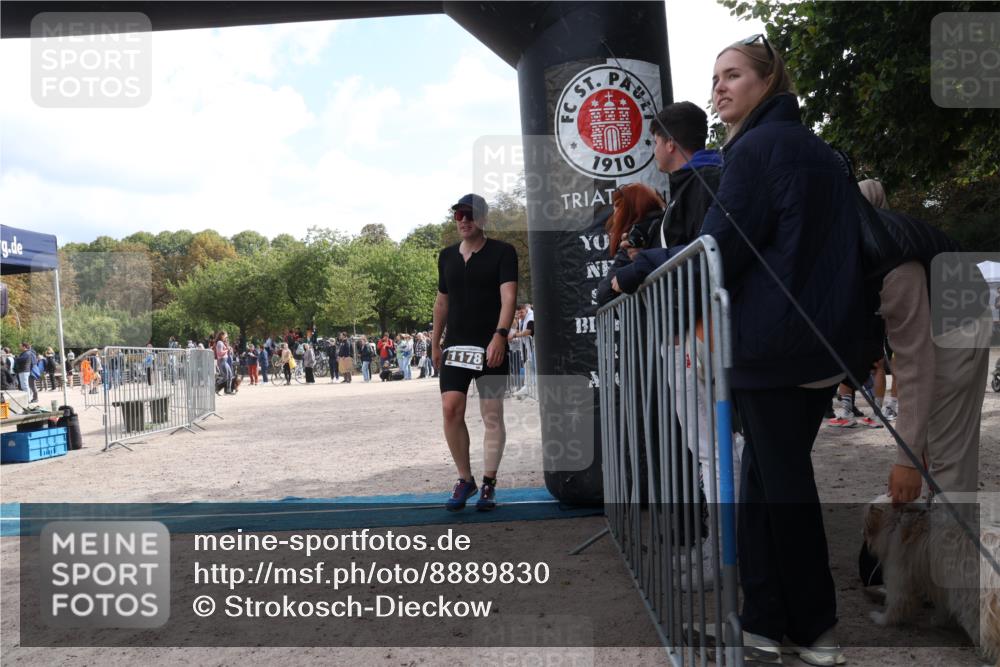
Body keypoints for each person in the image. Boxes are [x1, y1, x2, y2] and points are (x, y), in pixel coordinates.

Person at [622, 36, 870, 664]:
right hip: (816, 344)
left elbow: (713, 249)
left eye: (733, 75)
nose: (720, 87)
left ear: (767, 81)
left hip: (773, 347)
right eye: (715, 78)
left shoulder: (756, 150)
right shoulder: (819, 151)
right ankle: (762, 620)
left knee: (782, 483)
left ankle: (815, 628)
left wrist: (635, 268)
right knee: (761, 479)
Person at [432, 193, 517, 512]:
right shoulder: (446, 256)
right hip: (456, 345)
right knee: (450, 407)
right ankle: (464, 479)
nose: (464, 220)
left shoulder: (503, 252)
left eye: (469, 214)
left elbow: (509, 297)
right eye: (458, 215)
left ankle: (489, 483)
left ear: (482, 218)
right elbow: (442, 302)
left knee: (491, 415)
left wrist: (500, 335)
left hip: (490, 344)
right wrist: (434, 341)